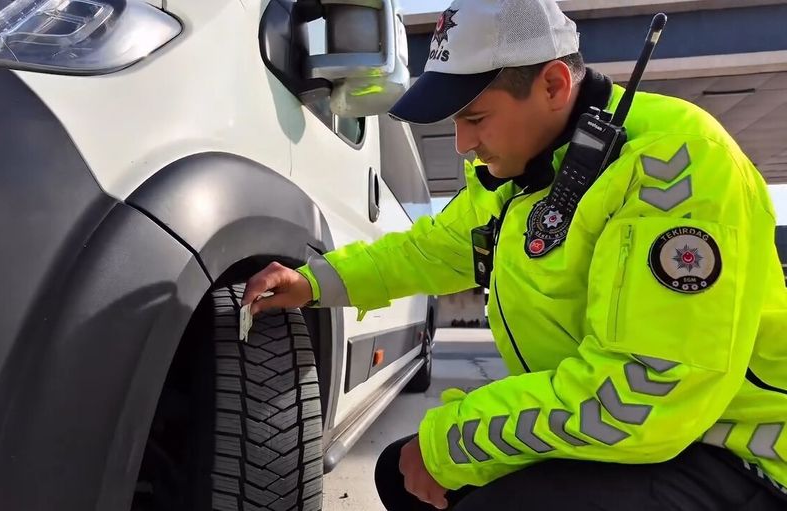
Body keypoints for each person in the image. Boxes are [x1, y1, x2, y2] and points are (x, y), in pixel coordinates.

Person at [242, 0, 787, 508]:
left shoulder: (675, 170)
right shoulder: (521, 178)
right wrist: (315, 281)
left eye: (475, 118)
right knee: (399, 473)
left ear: (553, 84)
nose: (462, 144)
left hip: (736, 452)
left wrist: (450, 444)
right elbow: (426, 250)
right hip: (647, 437)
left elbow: (643, 395)